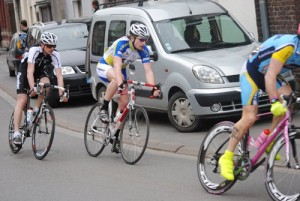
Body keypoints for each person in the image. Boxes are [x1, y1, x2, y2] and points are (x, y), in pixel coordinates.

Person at [218, 32, 300, 181]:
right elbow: (270, 76)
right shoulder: (288, 46)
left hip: (268, 73)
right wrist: (274, 101)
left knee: (288, 101)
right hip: (252, 71)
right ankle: (226, 156)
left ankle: (268, 139)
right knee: (250, 117)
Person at [96, 23, 160, 152]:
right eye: (141, 40)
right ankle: (104, 108)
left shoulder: (143, 50)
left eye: (145, 40)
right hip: (106, 66)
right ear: (132, 38)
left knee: (124, 105)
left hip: (121, 70)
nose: (143, 43)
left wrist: (153, 87)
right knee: (116, 78)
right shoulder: (122, 44)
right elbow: (117, 67)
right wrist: (120, 84)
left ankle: (115, 137)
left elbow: (148, 71)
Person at [13, 32, 68, 144]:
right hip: (25, 70)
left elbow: (59, 75)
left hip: (39, 71)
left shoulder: (55, 55)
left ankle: (36, 111)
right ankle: (16, 132)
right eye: (49, 46)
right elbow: (29, 71)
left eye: (54, 46)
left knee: (46, 85)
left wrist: (62, 93)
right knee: (22, 100)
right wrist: (33, 87)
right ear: (42, 45)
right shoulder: (35, 50)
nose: (52, 48)